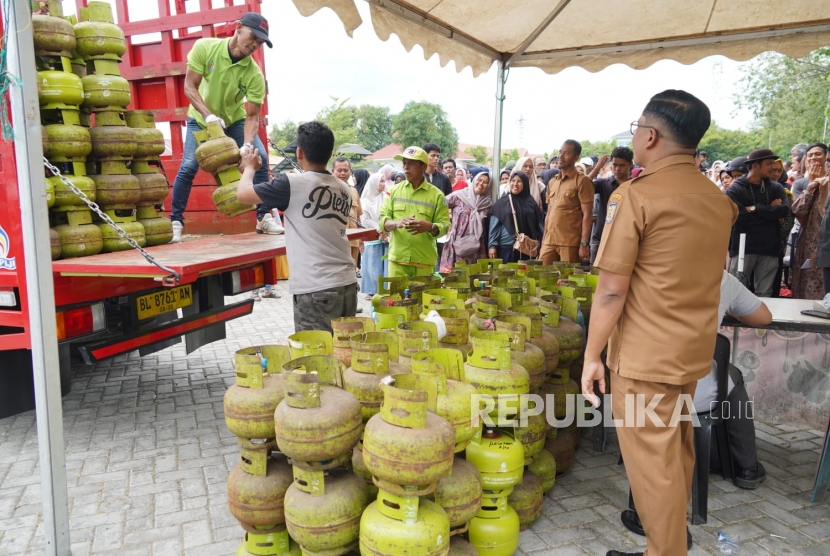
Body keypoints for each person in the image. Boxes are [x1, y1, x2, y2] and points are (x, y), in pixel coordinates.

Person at [581, 90, 737, 556]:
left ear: (650, 136)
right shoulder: (717, 199)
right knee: (676, 454)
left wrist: (592, 356)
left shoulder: (636, 197)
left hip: (645, 358)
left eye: (636, 129)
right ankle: (657, 547)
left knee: (654, 470)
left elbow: (611, 290)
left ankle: (666, 551)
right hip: (690, 352)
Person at [621, 270, 772, 542]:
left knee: (660, 436)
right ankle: (746, 466)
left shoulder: (643, 272)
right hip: (698, 395)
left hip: (648, 394)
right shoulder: (721, 278)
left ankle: (659, 519)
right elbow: (763, 316)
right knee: (732, 377)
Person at [169, 12, 282, 242]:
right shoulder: (205, 48)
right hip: (200, 119)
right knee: (189, 166)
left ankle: (263, 217)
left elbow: (252, 116)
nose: (254, 45)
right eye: (253, 37)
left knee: (258, 157)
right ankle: (176, 221)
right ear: (238, 27)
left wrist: (247, 144)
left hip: (234, 121)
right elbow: (190, 87)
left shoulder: (254, 74)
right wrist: (208, 115)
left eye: (260, 42)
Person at [236, 121, 358, 333]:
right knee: (343, 351)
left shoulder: (292, 184)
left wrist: (249, 168)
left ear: (299, 152)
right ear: (330, 154)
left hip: (316, 287)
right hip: (347, 283)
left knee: (316, 356)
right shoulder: (344, 188)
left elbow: (243, 194)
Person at [725, 149, 791, 297]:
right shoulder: (735, 189)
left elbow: (784, 211)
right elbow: (739, 217)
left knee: (765, 293)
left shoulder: (776, 187)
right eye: (769, 164)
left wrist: (756, 209)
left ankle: (761, 321)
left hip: (770, 247)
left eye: (774, 163)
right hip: (743, 247)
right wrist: (770, 212)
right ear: (755, 165)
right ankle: (736, 320)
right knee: (737, 291)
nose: (774, 167)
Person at [379, 146, 450, 278]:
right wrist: (396, 223)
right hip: (398, 261)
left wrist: (430, 226)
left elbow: (445, 226)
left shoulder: (437, 196)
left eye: (411, 163)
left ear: (423, 167)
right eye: (404, 163)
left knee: (423, 299)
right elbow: (383, 219)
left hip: (424, 261)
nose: (406, 167)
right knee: (396, 299)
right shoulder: (394, 191)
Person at [540, 140, 595, 264]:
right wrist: (544, 240)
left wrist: (584, 244)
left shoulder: (582, 181)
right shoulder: (552, 182)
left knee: (567, 280)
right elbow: (549, 214)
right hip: (549, 241)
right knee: (541, 276)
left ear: (576, 158)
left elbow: (587, 215)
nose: (561, 155)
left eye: (567, 153)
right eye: (560, 151)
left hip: (570, 243)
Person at [791, 144, 830, 299]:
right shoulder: (803, 183)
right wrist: (812, 185)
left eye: (818, 154)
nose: (814, 158)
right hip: (808, 238)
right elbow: (799, 212)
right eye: (811, 155)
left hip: (824, 241)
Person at [439, 171, 492, 270]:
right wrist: (446, 221)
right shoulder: (459, 196)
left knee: (473, 278)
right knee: (453, 278)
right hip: (457, 244)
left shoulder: (487, 204)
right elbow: (439, 204)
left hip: (476, 248)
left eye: (485, 182)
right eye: (479, 180)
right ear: (474, 180)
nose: (481, 184)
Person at [488, 171, 544, 263]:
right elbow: (494, 227)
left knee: (524, 275)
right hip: (507, 248)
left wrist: (541, 244)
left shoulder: (531, 202)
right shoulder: (502, 203)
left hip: (527, 247)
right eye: (513, 180)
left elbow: (538, 225)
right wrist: (492, 246)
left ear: (525, 184)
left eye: (519, 181)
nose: (515, 184)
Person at [590, 147, 633, 263]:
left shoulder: (635, 185)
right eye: (614, 165)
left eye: (622, 165)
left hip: (626, 237)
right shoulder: (603, 183)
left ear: (630, 164)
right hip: (601, 235)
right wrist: (597, 168)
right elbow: (583, 186)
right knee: (595, 272)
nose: (617, 169)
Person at [360, 165, 394, 298]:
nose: (383, 184)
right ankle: (371, 290)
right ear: (373, 183)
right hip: (372, 236)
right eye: (381, 181)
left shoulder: (386, 198)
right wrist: (379, 229)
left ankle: (384, 289)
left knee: (384, 265)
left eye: (384, 181)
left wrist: (385, 230)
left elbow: (390, 215)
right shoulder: (365, 202)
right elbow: (365, 220)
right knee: (373, 265)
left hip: (386, 236)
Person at [333, 158, 365, 275]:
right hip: (335, 240)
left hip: (353, 239)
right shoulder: (328, 190)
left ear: (350, 171)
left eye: (345, 170)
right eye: (339, 170)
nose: (342, 173)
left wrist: (361, 236)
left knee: (351, 271)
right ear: (333, 171)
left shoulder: (354, 191)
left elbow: (357, 216)